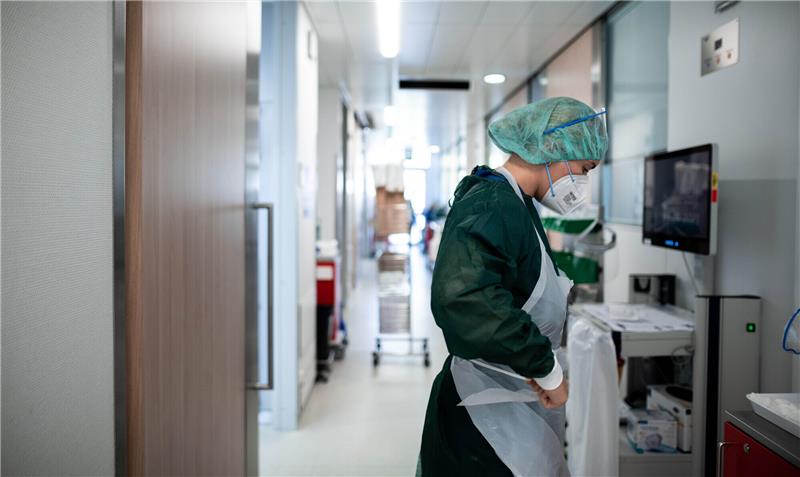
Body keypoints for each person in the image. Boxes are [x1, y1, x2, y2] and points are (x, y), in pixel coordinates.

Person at [418, 97, 608, 476]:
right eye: (584, 168)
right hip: (482, 418)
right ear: (554, 146)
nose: (582, 182)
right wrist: (545, 367)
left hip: (506, 400)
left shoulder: (517, 204)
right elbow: (465, 298)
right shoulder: (493, 203)